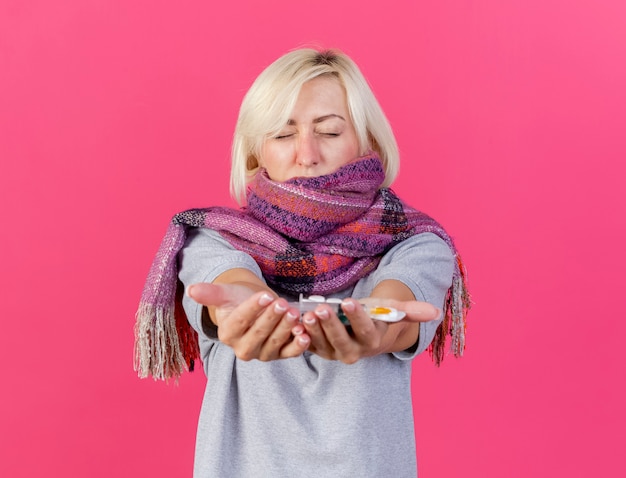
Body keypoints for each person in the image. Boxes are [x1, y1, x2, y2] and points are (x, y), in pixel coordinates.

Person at [134, 48, 470, 477]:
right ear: (256, 153)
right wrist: (248, 309)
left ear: (366, 141)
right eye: (282, 134)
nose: (307, 154)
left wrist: (377, 324)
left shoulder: (415, 244)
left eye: (329, 132)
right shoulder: (212, 240)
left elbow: (397, 311)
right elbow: (233, 290)